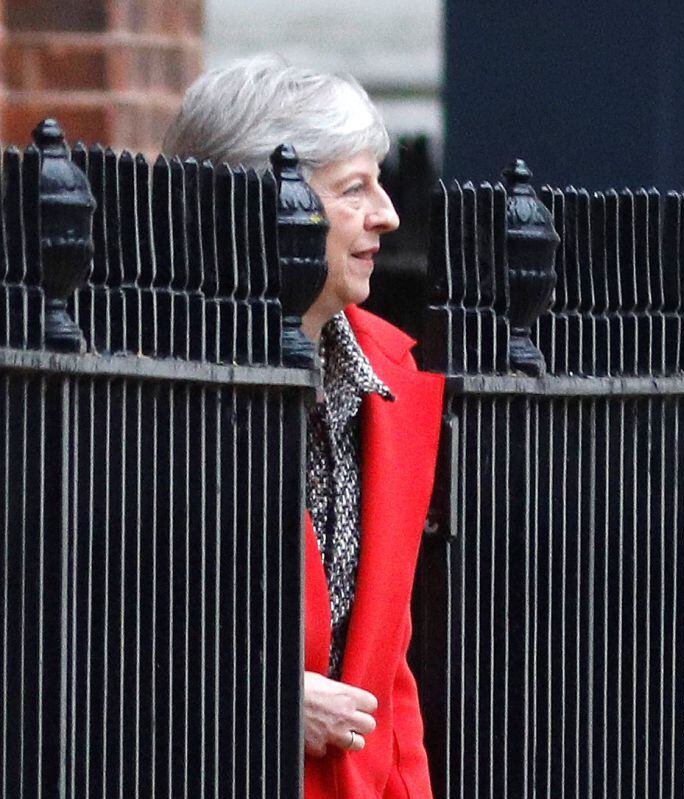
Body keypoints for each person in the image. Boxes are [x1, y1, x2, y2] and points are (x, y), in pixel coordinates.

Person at [163, 55, 445, 799]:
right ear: (262, 205)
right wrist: (261, 699)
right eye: (354, 189)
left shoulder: (388, 374)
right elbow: (89, 629)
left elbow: (390, 678)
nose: (386, 213)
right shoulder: (147, 380)